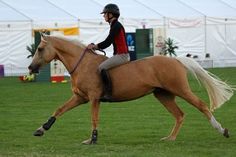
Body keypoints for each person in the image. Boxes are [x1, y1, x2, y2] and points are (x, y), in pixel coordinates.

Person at [87, 3, 130, 100]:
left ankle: (108, 92)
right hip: (119, 55)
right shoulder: (114, 25)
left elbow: (107, 42)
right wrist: (96, 46)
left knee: (102, 67)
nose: (103, 16)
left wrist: (94, 46)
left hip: (122, 56)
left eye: (105, 13)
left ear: (111, 14)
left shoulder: (116, 26)